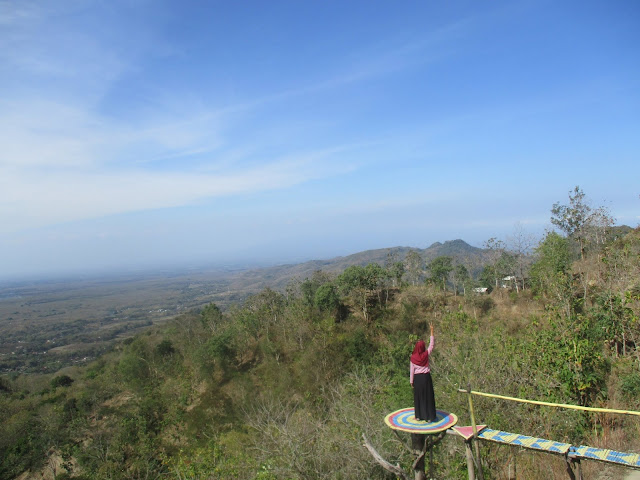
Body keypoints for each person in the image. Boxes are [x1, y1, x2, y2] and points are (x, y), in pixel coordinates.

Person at [410, 323, 436, 422]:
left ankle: (419, 416)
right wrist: (432, 331)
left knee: (418, 397)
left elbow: (412, 371)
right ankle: (429, 417)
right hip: (426, 378)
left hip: (417, 379)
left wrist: (411, 382)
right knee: (427, 396)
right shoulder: (425, 355)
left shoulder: (413, 358)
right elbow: (431, 345)